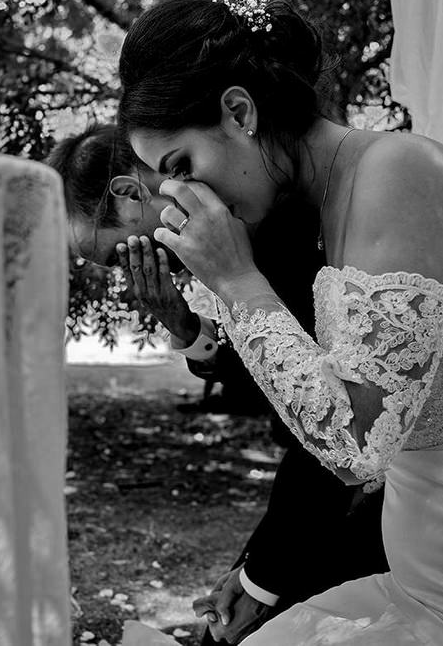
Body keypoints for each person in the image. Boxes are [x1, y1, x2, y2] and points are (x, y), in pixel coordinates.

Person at [116, 0, 443, 645]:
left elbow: (357, 446)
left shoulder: (395, 171)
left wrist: (237, 282)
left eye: (181, 167)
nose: (183, 198)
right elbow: (322, 415)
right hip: (431, 583)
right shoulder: (332, 206)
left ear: (239, 111)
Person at [46, 125, 388, 645]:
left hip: (370, 496)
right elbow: (279, 393)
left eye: (115, 254)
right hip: (321, 484)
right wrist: (186, 329)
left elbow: (331, 423)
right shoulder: (226, 248)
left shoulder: (278, 228)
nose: (125, 272)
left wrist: (261, 579)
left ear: (128, 194)